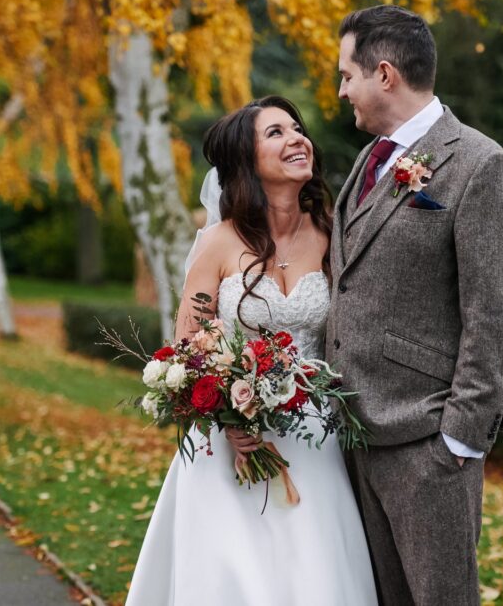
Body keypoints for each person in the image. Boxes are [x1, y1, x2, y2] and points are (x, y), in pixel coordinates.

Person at [322, 4, 503, 605]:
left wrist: (459, 443)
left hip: (427, 444)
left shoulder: (480, 164)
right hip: (355, 439)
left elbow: (493, 312)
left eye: (347, 75)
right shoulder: (370, 160)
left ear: (385, 74)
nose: (342, 90)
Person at [125, 96, 378, 606]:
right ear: (247, 161)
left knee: (312, 577)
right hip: (226, 446)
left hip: (313, 439)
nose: (296, 139)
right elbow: (187, 350)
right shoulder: (218, 244)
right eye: (275, 133)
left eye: (297, 129)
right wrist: (231, 420)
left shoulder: (335, 235)